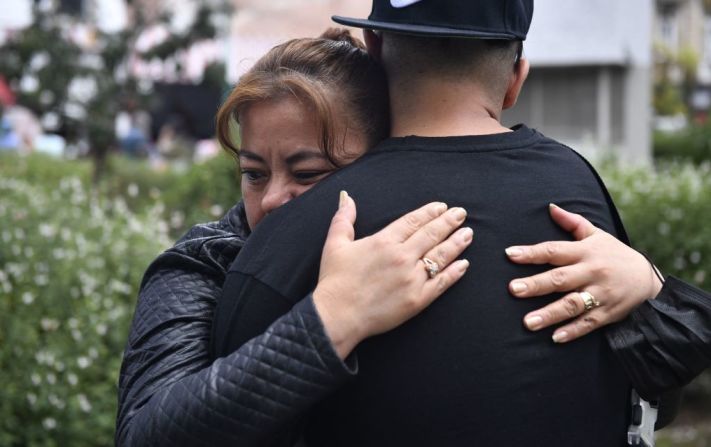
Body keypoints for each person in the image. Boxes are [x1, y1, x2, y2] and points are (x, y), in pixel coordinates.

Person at [211, 1, 706, 445]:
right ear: (515, 78)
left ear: (375, 50)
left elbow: (203, 417)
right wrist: (651, 283)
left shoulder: (308, 220)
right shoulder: (577, 189)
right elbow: (648, 388)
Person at [116, 30, 472, 446]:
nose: (270, 200)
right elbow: (142, 434)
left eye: (307, 175)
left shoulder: (428, 237)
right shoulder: (203, 264)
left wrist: (568, 275)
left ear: (381, 164)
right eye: (254, 174)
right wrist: (334, 318)